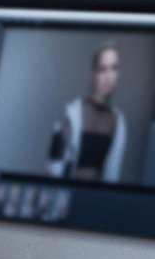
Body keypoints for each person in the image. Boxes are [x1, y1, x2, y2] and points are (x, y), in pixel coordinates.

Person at [48, 42, 128, 183]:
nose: (109, 76)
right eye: (102, 69)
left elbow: (113, 175)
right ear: (94, 73)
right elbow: (54, 165)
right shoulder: (70, 112)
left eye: (114, 68)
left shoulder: (118, 122)